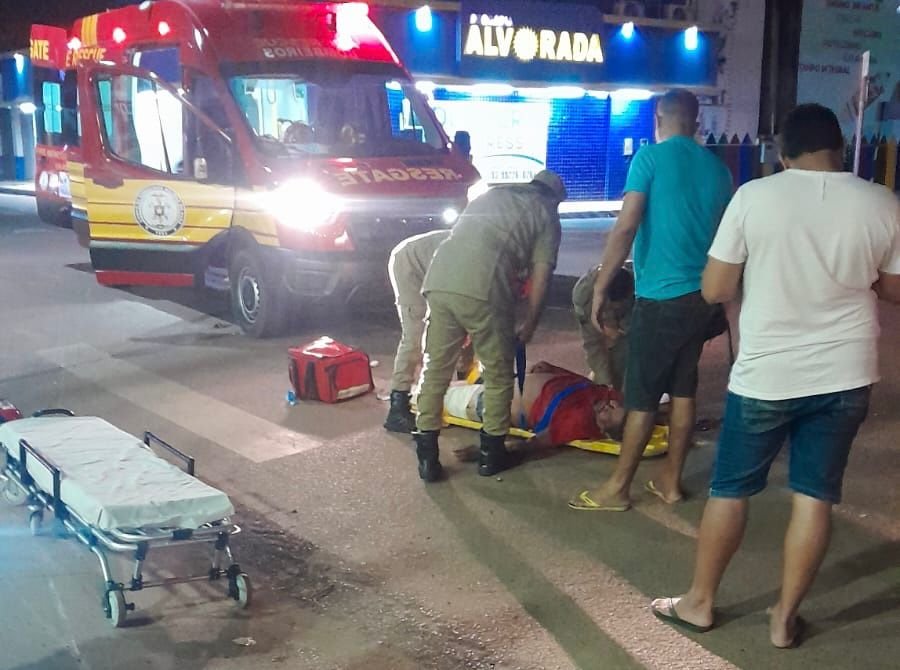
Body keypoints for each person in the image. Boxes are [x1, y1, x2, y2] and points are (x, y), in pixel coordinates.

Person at [651, 103, 900, 648]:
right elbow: (894, 287)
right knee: (814, 497)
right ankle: (785, 618)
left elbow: (715, 289)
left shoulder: (755, 197)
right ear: (836, 146)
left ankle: (699, 603)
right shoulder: (882, 201)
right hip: (846, 373)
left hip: (767, 373)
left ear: (783, 153)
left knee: (731, 490)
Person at [570, 88, 733, 511]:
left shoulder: (649, 158)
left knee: (640, 395)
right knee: (683, 390)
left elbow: (625, 227)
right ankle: (671, 483)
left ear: (658, 119)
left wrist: (602, 286)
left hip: (661, 299)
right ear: (697, 122)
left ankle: (618, 489)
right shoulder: (718, 170)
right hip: (702, 299)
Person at [413, 170, 566, 482]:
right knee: (497, 375)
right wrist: (531, 323)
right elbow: (541, 277)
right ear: (555, 198)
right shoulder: (546, 214)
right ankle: (491, 455)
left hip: (439, 280)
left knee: (435, 368)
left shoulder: (490, 195)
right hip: (483, 286)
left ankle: (427, 456)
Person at [383, 230, 473, 433]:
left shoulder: (491, 254)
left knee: (467, 331)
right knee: (415, 335)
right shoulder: (477, 256)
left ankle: (466, 389)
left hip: (438, 267)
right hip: (410, 262)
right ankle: (398, 407)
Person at [443, 361, 626, 448]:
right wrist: (552, 369)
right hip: (502, 385)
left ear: (602, 430)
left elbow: (535, 444)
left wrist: (488, 450)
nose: (608, 404)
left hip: (485, 402)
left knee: (430, 395)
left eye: (608, 413)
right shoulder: (602, 395)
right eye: (614, 405)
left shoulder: (580, 421)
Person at [572, 264, 634, 390]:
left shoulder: (641, 285)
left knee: (627, 360)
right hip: (595, 308)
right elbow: (592, 344)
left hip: (631, 322)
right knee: (602, 378)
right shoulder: (584, 295)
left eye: (618, 306)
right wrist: (606, 386)